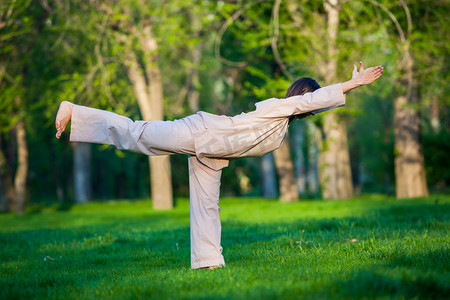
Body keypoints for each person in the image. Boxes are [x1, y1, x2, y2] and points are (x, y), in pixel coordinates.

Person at [55, 62, 383, 269]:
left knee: (207, 207)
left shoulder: (281, 127)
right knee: (138, 134)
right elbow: (307, 101)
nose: (313, 109)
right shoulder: (282, 108)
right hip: (200, 131)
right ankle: (77, 112)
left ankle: (208, 261)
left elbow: (309, 104)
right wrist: (351, 84)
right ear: (302, 96)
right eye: (312, 101)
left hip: (212, 154)